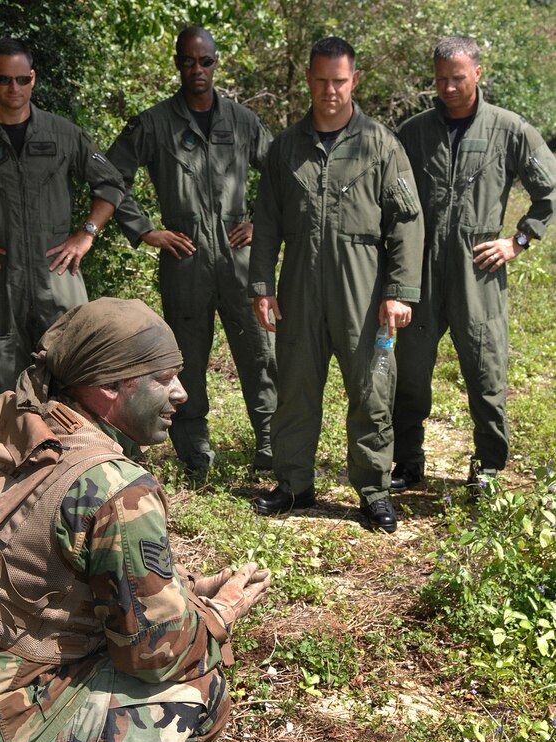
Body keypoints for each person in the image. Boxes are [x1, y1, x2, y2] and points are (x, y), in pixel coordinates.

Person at [0, 297, 271, 742]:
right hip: (10, 720)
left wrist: (182, 586)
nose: (181, 393)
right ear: (106, 387)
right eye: (163, 378)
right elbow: (154, 656)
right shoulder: (115, 487)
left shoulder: (19, 415)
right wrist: (222, 612)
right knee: (199, 694)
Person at [248, 37, 424, 532]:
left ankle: (372, 490)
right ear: (308, 77)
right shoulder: (285, 148)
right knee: (295, 388)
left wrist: (399, 290)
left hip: (363, 292)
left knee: (371, 389)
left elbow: (407, 222)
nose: (331, 91)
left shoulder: (381, 144)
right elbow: (265, 222)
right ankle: (294, 485)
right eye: (322, 80)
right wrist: (262, 286)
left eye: (340, 81)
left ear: (355, 81)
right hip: (299, 289)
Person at [106, 25, 277, 474]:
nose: (197, 70)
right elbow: (108, 173)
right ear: (178, 64)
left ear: (216, 63)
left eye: (205, 61)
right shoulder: (156, 123)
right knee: (188, 357)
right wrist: (145, 230)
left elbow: (283, 172)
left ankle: (271, 442)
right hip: (185, 257)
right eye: (187, 61)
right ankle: (194, 448)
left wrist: (262, 221)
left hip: (239, 259)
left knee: (259, 351)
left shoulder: (242, 121)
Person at [391, 35, 556, 492]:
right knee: (411, 374)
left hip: (479, 270)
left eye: (457, 77)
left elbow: (550, 190)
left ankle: (488, 466)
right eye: (441, 78)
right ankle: (407, 462)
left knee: (486, 373)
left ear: (477, 74)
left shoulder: (510, 128)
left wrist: (517, 241)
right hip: (421, 272)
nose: (448, 87)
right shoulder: (414, 131)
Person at [0, 37, 125, 393]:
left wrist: (86, 233)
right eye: (4, 79)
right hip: (3, 282)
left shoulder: (64, 134)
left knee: (73, 369)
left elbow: (111, 184)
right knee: (4, 380)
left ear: (34, 78)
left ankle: (78, 447)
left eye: (22, 79)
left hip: (56, 276)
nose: (14, 88)